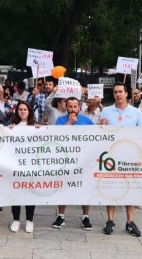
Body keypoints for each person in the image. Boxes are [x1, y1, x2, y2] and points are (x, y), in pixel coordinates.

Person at [99, 83, 142, 237]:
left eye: (121, 92)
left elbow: (141, 133)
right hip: (111, 157)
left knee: (131, 188)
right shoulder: (106, 111)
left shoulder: (136, 112)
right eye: (115, 92)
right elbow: (100, 134)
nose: (118, 95)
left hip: (130, 157)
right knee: (111, 187)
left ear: (126, 94)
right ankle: (110, 220)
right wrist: (100, 126)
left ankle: (130, 222)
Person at [54, 97, 94, 231]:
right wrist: (70, 123)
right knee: (63, 187)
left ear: (79, 107)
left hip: (83, 161)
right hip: (66, 160)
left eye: (75, 107)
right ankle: (61, 215)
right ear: (66, 107)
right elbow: (58, 138)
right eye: (70, 106)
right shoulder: (60, 120)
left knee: (84, 188)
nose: (72, 109)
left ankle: (85, 217)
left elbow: (95, 138)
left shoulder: (87, 121)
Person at [7, 101, 39, 233]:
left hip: (31, 166)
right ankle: (16, 219)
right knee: (16, 192)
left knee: (30, 192)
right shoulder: (12, 126)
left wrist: (41, 130)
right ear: (17, 111)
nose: (22, 111)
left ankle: (30, 220)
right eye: (20, 109)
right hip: (16, 165)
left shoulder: (35, 127)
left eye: (25, 109)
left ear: (29, 111)